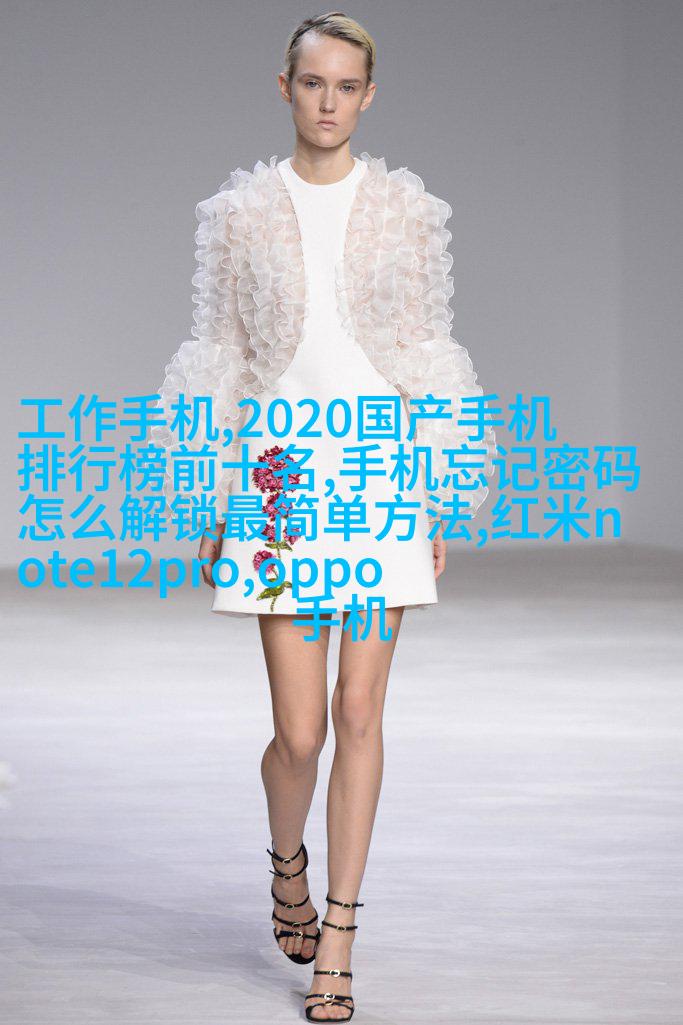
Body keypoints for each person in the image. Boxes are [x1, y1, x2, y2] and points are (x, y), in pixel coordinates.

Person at [152, 12, 496, 1021]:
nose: (329, 101)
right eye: (312, 83)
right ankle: (285, 863)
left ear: (369, 94)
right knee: (298, 733)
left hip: (380, 466)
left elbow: (425, 344)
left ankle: (338, 934)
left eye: (347, 85)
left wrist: (437, 483)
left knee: (358, 713)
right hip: (276, 477)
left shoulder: (404, 208)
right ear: (285, 87)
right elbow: (219, 351)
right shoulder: (240, 211)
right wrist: (209, 490)